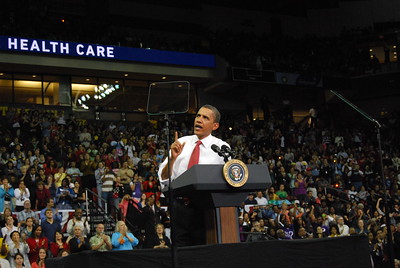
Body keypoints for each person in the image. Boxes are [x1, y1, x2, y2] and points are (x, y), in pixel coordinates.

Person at [158, 105, 229, 247]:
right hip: (179, 208)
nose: (199, 120)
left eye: (205, 117)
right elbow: (164, 179)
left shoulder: (221, 148)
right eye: (198, 116)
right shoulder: (182, 142)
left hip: (205, 209)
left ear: (215, 126)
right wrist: (172, 158)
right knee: (180, 253)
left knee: (202, 252)